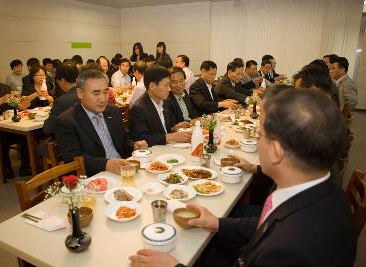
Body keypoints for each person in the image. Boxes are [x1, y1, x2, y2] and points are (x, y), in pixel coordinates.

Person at [130, 88, 356, 267]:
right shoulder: (323, 189)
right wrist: (217, 223)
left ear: (277, 150)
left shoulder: (289, 250)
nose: (258, 141)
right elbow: (268, 224)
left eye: (260, 134)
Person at [54, 70, 147, 176]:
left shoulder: (113, 111)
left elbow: (123, 140)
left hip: (123, 169)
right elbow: (74, 160)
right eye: (96, 93)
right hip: (94, 177)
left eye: (106, 92)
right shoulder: (67, 121)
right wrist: (106, 164)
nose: (103, 99)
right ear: (80, 93)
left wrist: (134, 146)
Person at [129, 65, 192, 146]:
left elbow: (161, 130)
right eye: (166, 85)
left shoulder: (164, 102)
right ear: (152, 86)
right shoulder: (139, 108)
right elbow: (141, 139)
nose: (169, 89)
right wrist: (170, 137)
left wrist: (174, 128)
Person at [43, 63, 80, 137]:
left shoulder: (61, 101)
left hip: (69, 141)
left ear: (62, 80)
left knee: (41, 147)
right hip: (88, 140)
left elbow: (48, 129)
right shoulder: (86, 94)